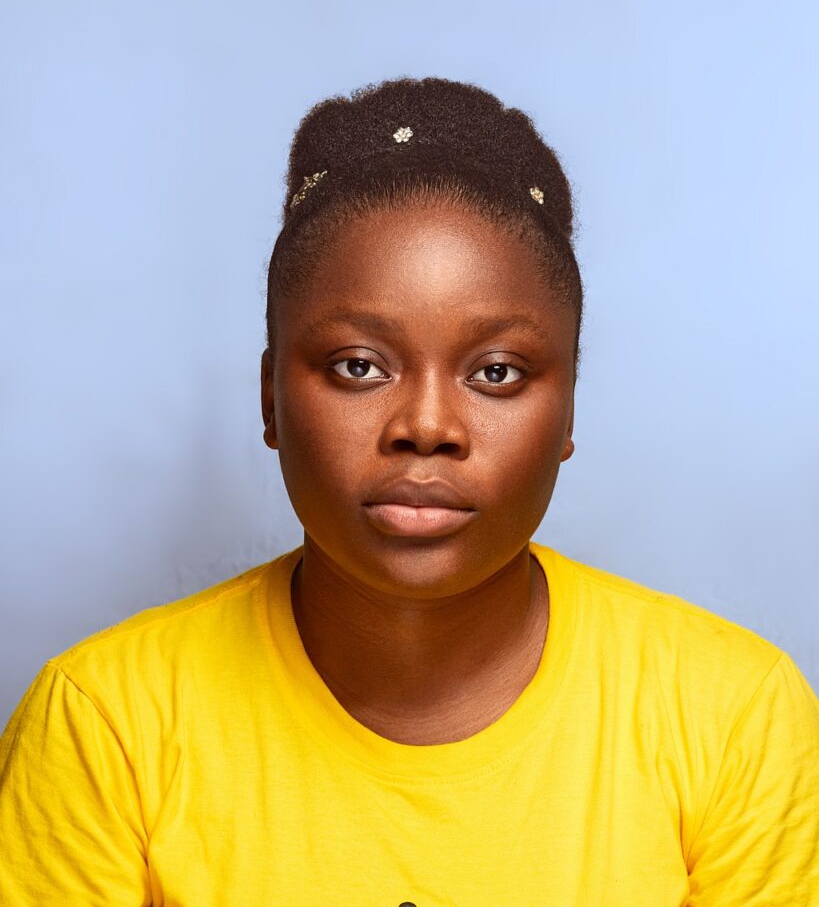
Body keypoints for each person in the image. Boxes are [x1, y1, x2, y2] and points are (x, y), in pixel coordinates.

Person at [1, 77, 817, 905]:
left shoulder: (733, 716)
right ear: (270, 401)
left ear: (568, 410)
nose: (426, 426)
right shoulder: (104, 723)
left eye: (496, 373)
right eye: (358, 366)